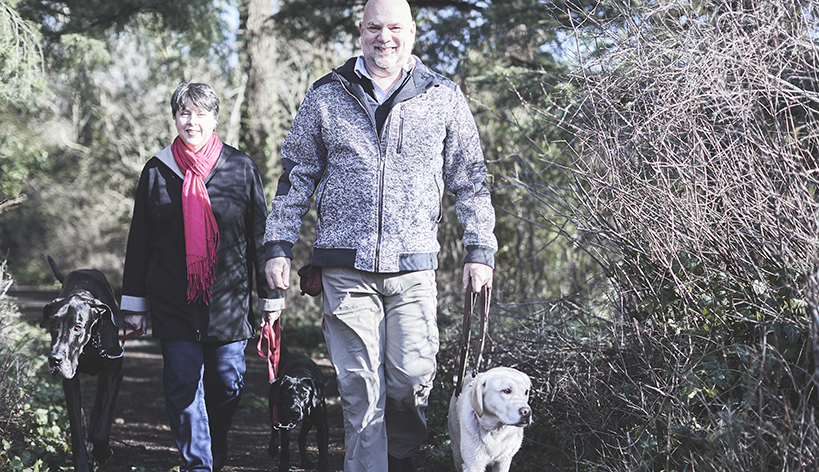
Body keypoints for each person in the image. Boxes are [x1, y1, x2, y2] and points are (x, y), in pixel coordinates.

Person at [262, 0, 497, 470]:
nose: (383, 37)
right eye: (373, 27)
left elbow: (470, 178)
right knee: (359, 390)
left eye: (394, 27)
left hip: (413, 267)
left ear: (412, 30)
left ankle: (403, 459)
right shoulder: (326, 94)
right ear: (360, 31)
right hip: (345, 269)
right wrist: (278, 245)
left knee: (410, 380)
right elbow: (296, 176)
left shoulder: (443, 95)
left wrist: (480, 247)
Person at [120, 82, 283, 472]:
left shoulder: (240, 167)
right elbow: (139, 239)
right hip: (172, 300)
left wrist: (270, 298)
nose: (191, 121)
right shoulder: (158, 169)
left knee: (227, 383)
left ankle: (213, 443)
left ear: (214, 118)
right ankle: (199, 464)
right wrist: (134, 303)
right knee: (181, 385)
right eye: (183, 113)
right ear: (175, 117)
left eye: (200, 113)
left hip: (228, 302)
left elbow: (259, 234)